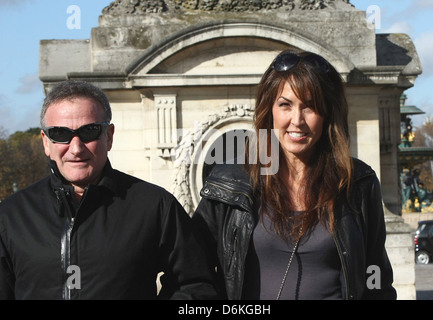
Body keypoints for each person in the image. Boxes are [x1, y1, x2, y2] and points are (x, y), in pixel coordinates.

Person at [193, 49, 397, 300]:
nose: (297, 120)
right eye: (285, 105)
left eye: (310, 107)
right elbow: (192, 276)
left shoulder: (358, 183)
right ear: (269, 110)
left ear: (327, 115)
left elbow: (375, 275)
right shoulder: (227, 183)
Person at [0, 80, 218, 300]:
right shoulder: (10, 216)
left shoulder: (155, 206)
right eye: (60, 133)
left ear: (109, 135)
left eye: (89, 131)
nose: (76, 148)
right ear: (46, 142)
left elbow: (195, 285)